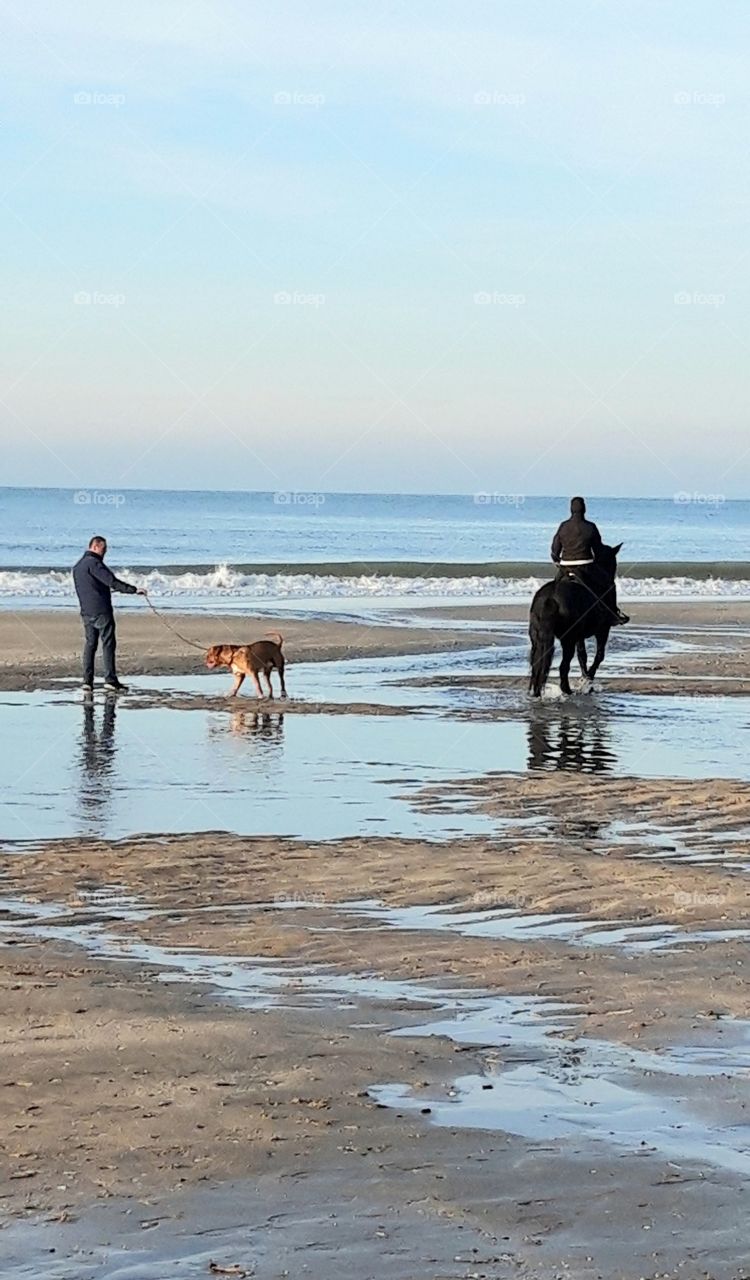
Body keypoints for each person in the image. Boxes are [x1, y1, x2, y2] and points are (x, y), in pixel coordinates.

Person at [72, 536, 146, 694]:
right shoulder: (95, 564)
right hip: (101, 610)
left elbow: (91, 586)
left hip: (86, 611)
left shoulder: (78, 566)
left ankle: (87, 681)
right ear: (95, 546)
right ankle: (110, 680)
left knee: (90, 645)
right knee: (108, 644)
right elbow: (112, 581)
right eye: (103, 550)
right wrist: (134, 590)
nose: (104, 553)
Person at [551, 497, 628, 625]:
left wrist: (558, 560)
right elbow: (598, 551)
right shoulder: (590, 527)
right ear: (584, 510)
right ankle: (613, 613)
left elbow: (554, 550)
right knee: (609, 585)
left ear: (571, 510)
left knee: (554, 588)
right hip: (585, 567)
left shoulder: (563, 526)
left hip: (565, 568)